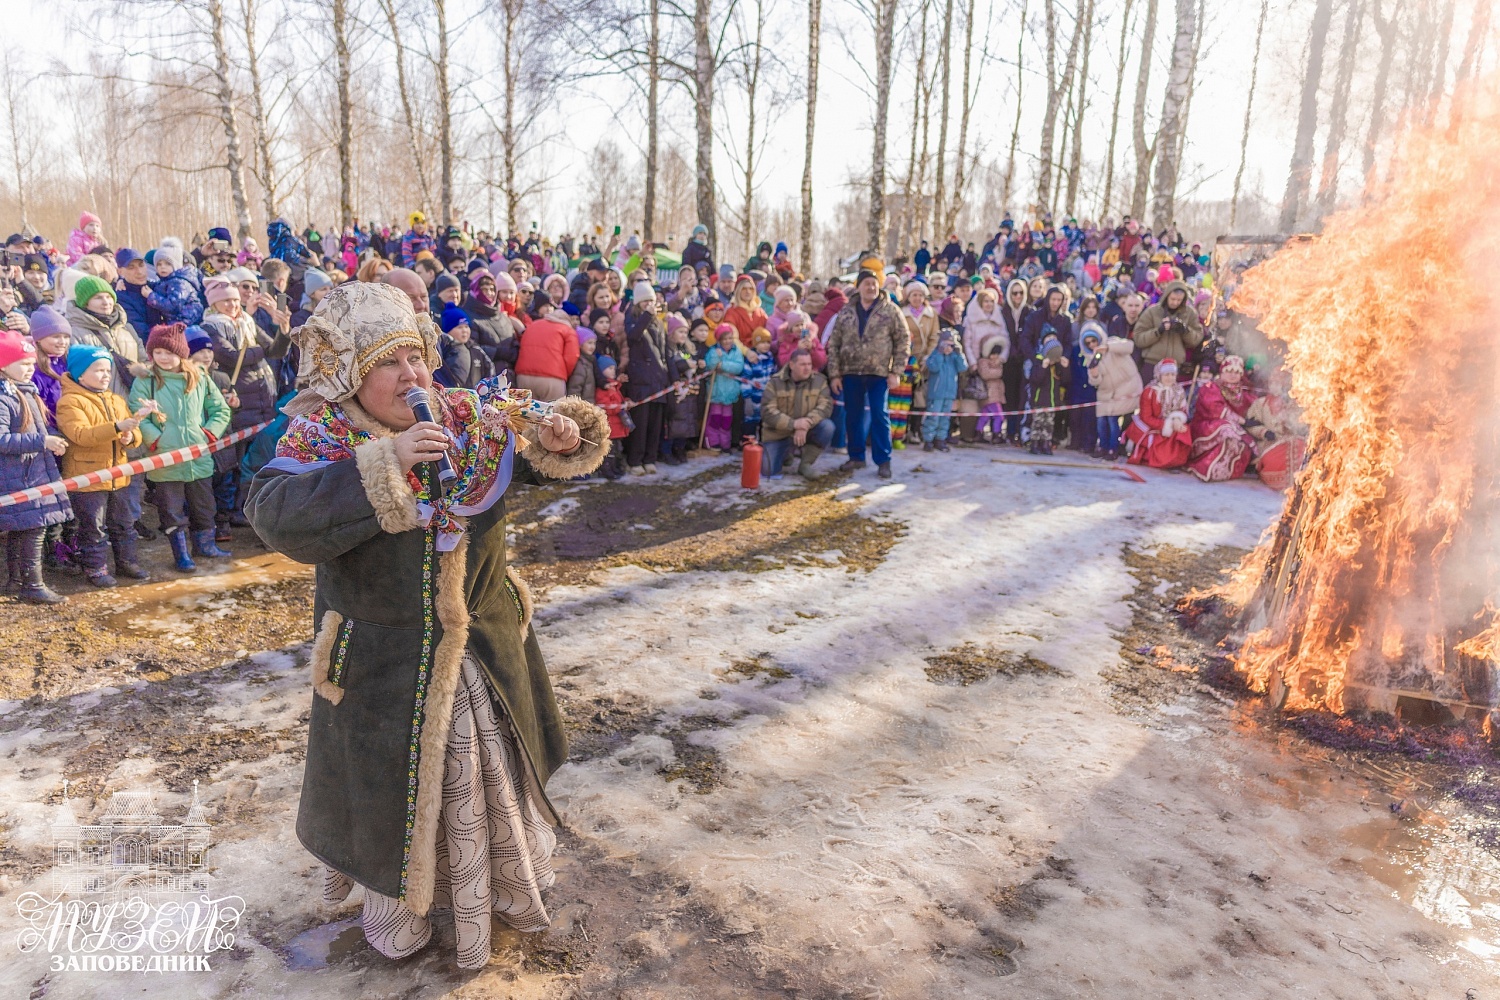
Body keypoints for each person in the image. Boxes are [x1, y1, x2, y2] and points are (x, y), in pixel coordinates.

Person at [244, 280, 606, 970]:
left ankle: (494, 897)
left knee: (485, 786)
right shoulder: (321, 436)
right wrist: (383, 464)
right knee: (390, 800)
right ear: (349, 373)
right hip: (382, 668)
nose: (411, 376)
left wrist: (565, 433)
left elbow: (550, 444)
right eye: (388, 362)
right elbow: (274, 515)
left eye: (415, 357)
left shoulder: (471, 413)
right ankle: (400, 921)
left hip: (481, 651)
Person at [128, 323, 233, 571]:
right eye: (158, 353)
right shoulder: (146, 381)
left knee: (204, 505)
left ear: (181, 353)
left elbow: (220, 409)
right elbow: (137, 414)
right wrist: (157, 440)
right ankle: (181, 554)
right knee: (172, 509)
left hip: (199, 455)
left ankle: (205, 545)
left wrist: (208, 434)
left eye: (169, 352)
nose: (163, 358)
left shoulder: (199, 377)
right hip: (164, 458)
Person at [55, 345, 155, 587]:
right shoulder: (70, 402)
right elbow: (80, 435)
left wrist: (130, 437)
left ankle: (127, 562)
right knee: (94, 527)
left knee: (123, 523)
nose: (105, 375)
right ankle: (95, 568)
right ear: (80, 374)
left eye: (107, 370)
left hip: (118, 475)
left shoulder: (116, 399)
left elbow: (134, 433)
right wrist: (117, 428)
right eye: (98, 370)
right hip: (87, 477)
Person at [0, 329, 72, 604]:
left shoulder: (24, 391)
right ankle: (33, 584)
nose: (31, 369)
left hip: (30, 473)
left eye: (32, 364)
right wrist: (43, 441)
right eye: (24, 364)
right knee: (34, 528)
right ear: (4, 365)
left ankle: (16, 581)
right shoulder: (4, 397)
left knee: (24, 528)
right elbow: (2, 438)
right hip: (18, 476)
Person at [826, 269, 909, 479]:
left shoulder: (890, 311)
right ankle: (856, 457)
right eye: (866, 284)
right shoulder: (846, 311)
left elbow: (903, 341)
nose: (870, 287)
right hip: (851, 371)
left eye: (874, 283)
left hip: (879, 373)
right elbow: (834, 343)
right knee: (853, 415)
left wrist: (895, 371)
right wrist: (835, 374)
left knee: (880, 415)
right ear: (859, 286)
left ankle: (883, 460)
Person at [66, 275, 146, 399]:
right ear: (85, 303)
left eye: (109, 297)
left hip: (135, 400)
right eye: (98, 298)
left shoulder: (126, 328)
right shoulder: (74, 333)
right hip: (100, 404)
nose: (106, 302)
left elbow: (143, 359)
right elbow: (75, 374)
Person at [760, 348, 835, 479]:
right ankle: (786, 453)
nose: (807, 368)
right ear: (791, 365)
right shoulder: (775, 382)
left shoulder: (819, 381)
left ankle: (805, 463)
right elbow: (768, 412)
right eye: (802, 364)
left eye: (809, 364)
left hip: (807, 430)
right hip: (779, 433)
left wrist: (806, 423)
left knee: (827, 427)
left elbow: (826, 406)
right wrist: (794, 424)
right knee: (768, 470)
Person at [1187, 354, 1256, 482]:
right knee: (1227, 429)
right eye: (1229, 371)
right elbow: (1216, 409)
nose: (1233, 375)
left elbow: (1254, 406)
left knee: (1238, 443)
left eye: (1236, 372)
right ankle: (1207, 467)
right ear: (1222, 372)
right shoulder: (1210, 387)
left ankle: (1225, 471)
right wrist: (1243, 421)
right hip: (1206, 425)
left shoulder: (1242, 392)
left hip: (1233, 428)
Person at [1122, 358, 1192, 469]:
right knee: (1162, 445)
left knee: (1184, 430)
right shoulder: (1150, 391)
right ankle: (1165, 460)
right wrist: (1167, 425)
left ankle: (1178, 461)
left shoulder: (1179, 390)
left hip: (1171, 423)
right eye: (1166, 375)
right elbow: (1146, 417)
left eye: (1172, 375)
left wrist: (1178, 420)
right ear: (1159, 375)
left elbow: (1182, 410)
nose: (1170, 378)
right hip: (1153, 425)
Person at [1132, 279, 1204, 382]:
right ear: (1167, 296)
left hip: (1174, 366)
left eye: (1179, 300)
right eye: (1173, 299)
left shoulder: (1189, 313)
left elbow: (1196, 339)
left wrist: (1184, 330)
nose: (1175, 303)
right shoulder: (1152, 311)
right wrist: (1158, 331)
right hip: (1152, 363)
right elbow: (1138, 338)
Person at [514, 290, 580, 402]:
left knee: (526, 416)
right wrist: (562, 374)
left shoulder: (533, 325)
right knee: (552, 415)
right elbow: (572, 357)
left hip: (523, 376)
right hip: (552, 379)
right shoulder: (568, 330)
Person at [1087, 330, 1143, 460]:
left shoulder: (1112, 342)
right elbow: (1094, 382)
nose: (1092, 345)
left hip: (1126, 388)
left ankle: (1113, 448)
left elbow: (1129, 346)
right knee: (1101, 420)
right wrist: (1094, 374)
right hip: (1106, 392)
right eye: (1088, 343)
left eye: (1094, 341)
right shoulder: (1091, 358)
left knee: (1113, 420)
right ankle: (1103, 447)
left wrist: (1108, 347)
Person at [702, 325, 746, 453]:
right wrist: (717, 359)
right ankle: (713, 442)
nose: (727, 341)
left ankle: (725, 443)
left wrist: (723, 364)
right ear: (719, 340)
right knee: (715, 418)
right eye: (724, 339)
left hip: (730, 393)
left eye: (730, 338)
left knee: (727, 420)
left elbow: (738, 367)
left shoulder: (736, 351)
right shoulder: (713, 350)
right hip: (716, 392)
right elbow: (710, 364)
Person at [921, 330, 966, 453]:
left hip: (949, 393)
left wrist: (958, 353)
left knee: (945, 418)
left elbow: (963, 368)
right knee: (933, 417)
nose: (948, 348)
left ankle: (940, 439)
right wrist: (940, 353)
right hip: (936, 393)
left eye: (951, 345)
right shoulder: (935, 355)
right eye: (945, 345)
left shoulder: (954, 357)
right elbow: (933, 367)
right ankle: (928, 440)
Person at [1028, 332, 1069, 456]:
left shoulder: (1057, 365)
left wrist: (1065, 367)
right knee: (1038, 423)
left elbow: (1065, 380)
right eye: (1048, 338)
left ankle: (1046, 443)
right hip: (1039, 401)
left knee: (1049, 424)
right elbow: (1035, 380)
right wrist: (1043, 367)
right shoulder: (1038, 361)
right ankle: (1034, 443)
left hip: (1052, 401)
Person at [437, 303, 496, 389]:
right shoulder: (445, 351)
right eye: (459, 327)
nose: (464, 330)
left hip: (476, 398)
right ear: (447, 331)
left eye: (466, 326)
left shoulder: (476, 350)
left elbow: (490, 372)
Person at [594, 355, 629, 480]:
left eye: (613, 368)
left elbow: (618, 402)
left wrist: (625, 403)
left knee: (617, 450)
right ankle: (606, 470)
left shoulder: (615, 387)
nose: (612, 370)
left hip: (617, 427)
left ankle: (615, 468)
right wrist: (619, 407)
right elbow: (604, 406)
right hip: (610, 427)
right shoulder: (602, 389)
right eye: (609, 368)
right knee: (608, 452)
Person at [974, 339, 1008, 442]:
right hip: (988, 394)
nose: (995, 357)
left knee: (985, 415)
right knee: (999, 415)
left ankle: (979, 433)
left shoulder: (998, 363)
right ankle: (996, 434)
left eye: (997, 354)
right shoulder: (983, 362)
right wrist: (998, 368)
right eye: (993, 354)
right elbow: (986, 374)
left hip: (996, 394)